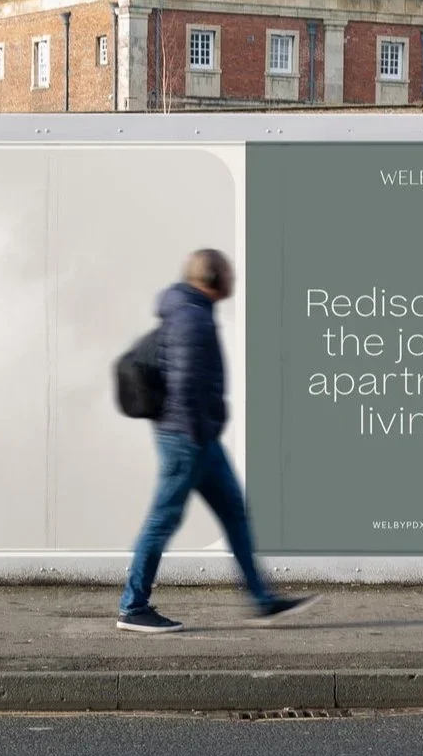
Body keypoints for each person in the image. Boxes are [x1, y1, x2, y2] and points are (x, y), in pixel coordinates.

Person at [117, 248, 320, 633]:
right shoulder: (192, 320)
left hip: (199, 439)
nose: (234, 280)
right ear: (213, 279)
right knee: (162, 521)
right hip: (188, 440)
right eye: (229, 274)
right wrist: (198, 436)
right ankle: (133, 606)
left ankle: (262, 600)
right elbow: (186, 386)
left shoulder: (193, 312)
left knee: (234, 514)